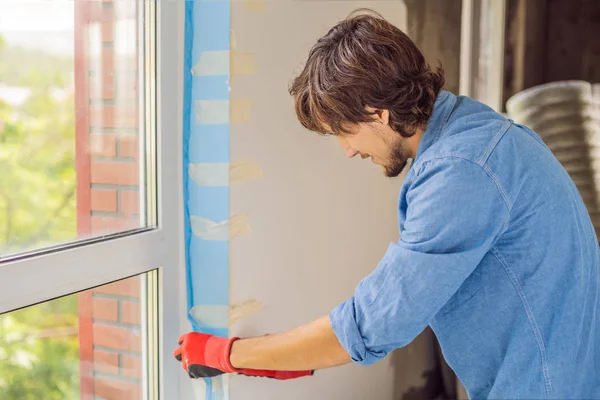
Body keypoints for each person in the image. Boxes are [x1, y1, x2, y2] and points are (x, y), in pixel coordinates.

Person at [174, 11, 600, 399]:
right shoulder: (478, 130)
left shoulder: (462, 171)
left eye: (344, 131)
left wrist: (227, 353)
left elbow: (372, 325)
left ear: (378, 115)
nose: (347, 151)